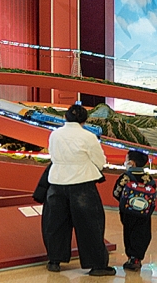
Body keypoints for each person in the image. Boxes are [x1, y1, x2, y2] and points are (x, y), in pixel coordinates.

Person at [42, 103, 115, 276]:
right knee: (90, 225)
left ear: (65, 117)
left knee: (55, 223)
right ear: (85, 120)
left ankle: (54, 260)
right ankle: (96, 265)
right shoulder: (88, 136)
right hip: (82, 183)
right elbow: (99, 160)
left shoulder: (55, 134)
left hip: (56, 182)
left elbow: (52, 154)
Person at [113, 149, 157, 271]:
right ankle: (137, 258)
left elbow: (116, 192)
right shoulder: (148, 178)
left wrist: (125, 203)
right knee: (142, 233)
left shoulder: (125, 177)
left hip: (128, 213)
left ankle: (131, 258)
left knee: (129, 232)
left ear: (131, 163)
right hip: (144, 213)